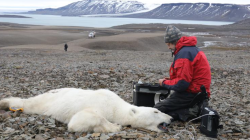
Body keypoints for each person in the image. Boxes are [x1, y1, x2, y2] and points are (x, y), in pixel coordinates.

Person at [154, 25, 211, 121]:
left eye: (169, 45)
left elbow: (182, 84)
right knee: (167, 109)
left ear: (174, 42)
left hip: (192, 93)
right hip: (199, 92)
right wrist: (168, 81)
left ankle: (194, 110)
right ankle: (193, 108)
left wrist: (164, 83)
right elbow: (184, 78)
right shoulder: (189, 49)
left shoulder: (184, 53)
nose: (168, 48)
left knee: (157, 110)